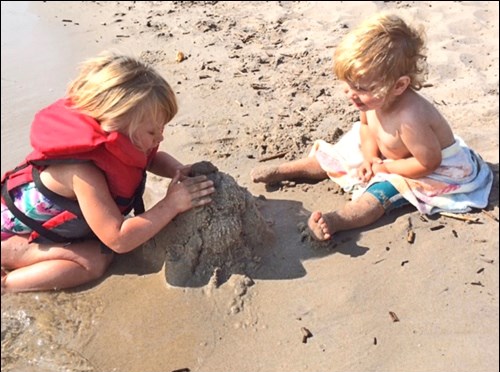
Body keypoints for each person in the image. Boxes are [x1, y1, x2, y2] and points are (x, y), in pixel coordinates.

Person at [251, 13, 493, 241]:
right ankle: (285, 169)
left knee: (381, 193)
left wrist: (384, 167)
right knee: (340, 154)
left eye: (361, 88)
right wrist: (369, 158)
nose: (351, 94)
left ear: (398, 86)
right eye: (347, 84)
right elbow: (365, 129)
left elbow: (428, 163)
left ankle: (338, 220)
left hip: (428, 169)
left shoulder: (410, 118)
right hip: (386, 155)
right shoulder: (373, 100)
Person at [1, 52, 215, 293]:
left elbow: (151, 158)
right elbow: (119, 239)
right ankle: (8, 281)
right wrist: (171, 205)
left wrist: (177, 169)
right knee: (95, 261)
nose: (160, 138)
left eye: (161, 129)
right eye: (152, 132)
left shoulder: (125, 139)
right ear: (114, 127)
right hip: (9, 233)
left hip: (45, 224)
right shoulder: (82, 173)